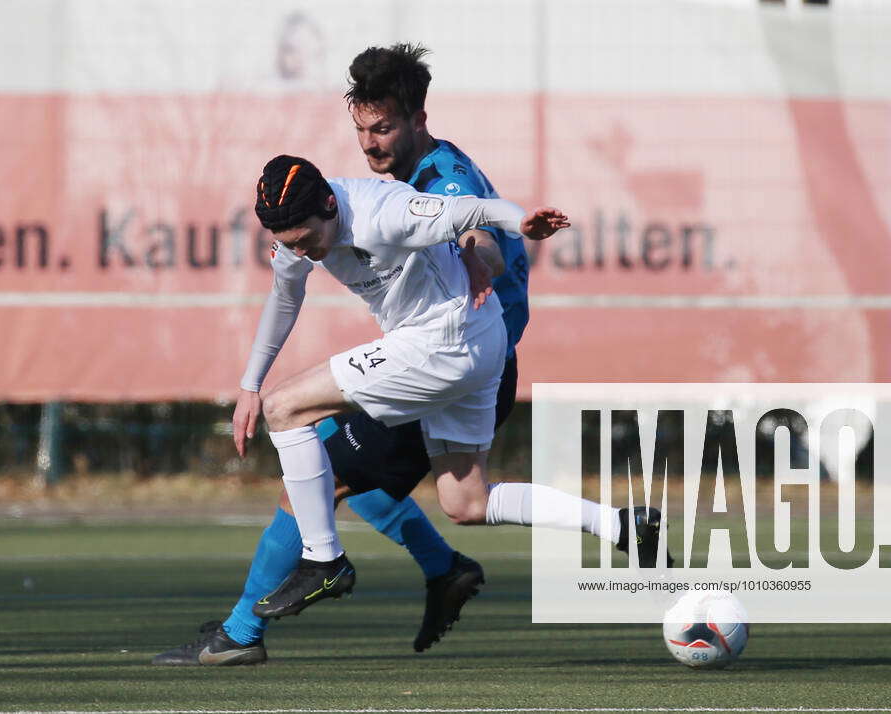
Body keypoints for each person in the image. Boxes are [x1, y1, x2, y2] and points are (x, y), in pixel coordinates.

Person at [153, 45, 667, 668]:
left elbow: (473, 221)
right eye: (361, 130)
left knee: (302, 444)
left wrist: (486, 247)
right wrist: (247, 381)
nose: (370, 144)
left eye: (384, 128)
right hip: (473, 351)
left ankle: (248, 626)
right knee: (460, 501)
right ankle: (610, 527)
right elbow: (288, 291)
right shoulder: (338, 207)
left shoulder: (418, 187)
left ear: (419, 118)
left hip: (452, 350)